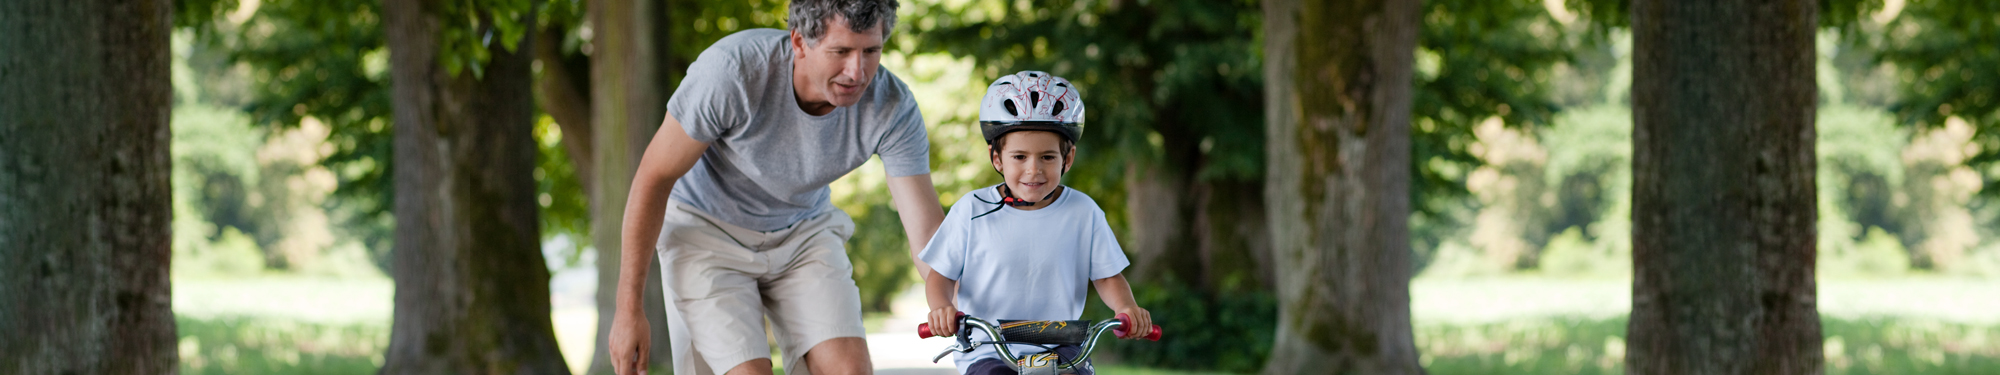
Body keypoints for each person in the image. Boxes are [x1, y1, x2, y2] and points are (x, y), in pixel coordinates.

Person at [607, 1, 946, 374]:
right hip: (706, 231)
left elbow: (927, 235)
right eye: (841, 51)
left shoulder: (892, 107)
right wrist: (628, 310)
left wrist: (961, 301)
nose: (858, 71)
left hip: (803, 231)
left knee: (849, 370)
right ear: (800, 42)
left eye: (871, 51)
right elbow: (653, 179)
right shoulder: (732, 72)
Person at [919, 71, 1153, 375]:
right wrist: (941, 308)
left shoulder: (1083, 211)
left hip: (1061, 341)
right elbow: (940, 276)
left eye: (1047, 157)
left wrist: (1126, 308)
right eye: (1019, 157)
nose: (1034, 170)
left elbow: (1107, 276)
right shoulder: (972, 210)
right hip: (988, 345)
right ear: (997, 159)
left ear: (1067, 159)